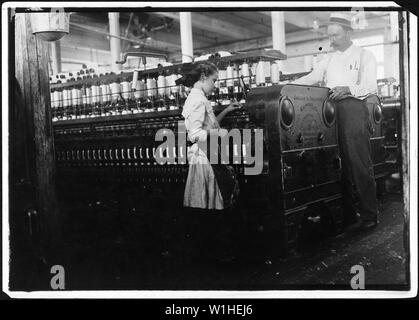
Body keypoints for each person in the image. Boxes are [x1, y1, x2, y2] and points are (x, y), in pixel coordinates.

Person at [293, 12, 379, 230]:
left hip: (353, 109)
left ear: (348, 32)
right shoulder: (328, 59)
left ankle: (370, 215)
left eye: (336, 35)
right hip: (329, 112)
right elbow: (312, 78)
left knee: (359, 163)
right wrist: (286, 86)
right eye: (329, 36)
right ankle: (349, 215)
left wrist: (349, 89)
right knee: (337, 164)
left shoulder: (364, 55)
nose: (331, 40)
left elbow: (370, 86)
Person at [177, 61, 241, 261]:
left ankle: (211, 253)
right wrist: (222, 133)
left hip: (208, 155)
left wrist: (226, 111)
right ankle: (214, 255)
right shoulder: (197, 100)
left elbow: (208, 124)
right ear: (203, 78)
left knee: (211, 204)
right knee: (212, 206)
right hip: (205, 157)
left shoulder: (198, 97)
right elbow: (195, 134)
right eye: (214, 80)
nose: (215, 85)